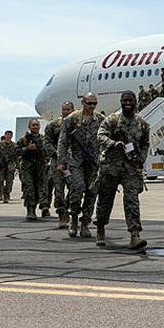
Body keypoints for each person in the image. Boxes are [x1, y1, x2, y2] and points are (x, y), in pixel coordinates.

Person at [95, 91, 150, 248]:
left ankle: (135, 235)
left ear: (135, 102)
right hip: (110, 167)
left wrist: (141, 158)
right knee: (105, 200)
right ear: (121, 102)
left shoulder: (143, 124)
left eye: (130, 100)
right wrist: (113, 143)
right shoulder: (112, 120)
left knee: (132, 200)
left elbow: (145, 144)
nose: (127, 103)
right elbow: (101, 136)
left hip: (130, 168)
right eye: (125, 100)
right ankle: (100, 227)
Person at [58, 93, 104, 238]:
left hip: (93, 162)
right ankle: (73, 219)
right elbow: (63, 141)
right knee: (77, 189)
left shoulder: (100, 119)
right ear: (83, 102)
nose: (92, 106)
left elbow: (105, 139)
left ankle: (85, 223)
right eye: (89, 103)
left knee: (92, 193)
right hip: (76, 161)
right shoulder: (72, 119)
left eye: (94, 104)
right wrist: (61, 161)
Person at [44, 101, 74, 228]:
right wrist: (56, 153)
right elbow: (47, 142)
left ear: (73, 110)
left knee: (75, 188)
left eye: (68, 109)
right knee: (58, 189)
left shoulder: (78, 124)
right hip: (58, 161)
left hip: (74, 162)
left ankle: (67, 207)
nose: (65, 112)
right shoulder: (53, 125)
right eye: (64, 109)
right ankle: (61, 214)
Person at [15, 119, 49, 221]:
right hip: (27, 168)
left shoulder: (43, 139)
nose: (35, 127)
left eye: (36, 125)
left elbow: (47, 151)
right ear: (29, 127)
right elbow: (16, 151)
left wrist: (38, 148)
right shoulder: (23, 139)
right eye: (33, 125)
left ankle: (43, 206)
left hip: (40, 168)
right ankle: (30, 210)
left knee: (40, 189)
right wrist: (27, 148)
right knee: (29, 189)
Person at [0, 131, 18, 203]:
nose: (8, 136)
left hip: (10, 166)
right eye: (7, 134)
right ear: (5, 135)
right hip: (1, 165)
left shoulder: (14, 145)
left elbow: (16, 156)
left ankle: (6, 195)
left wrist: (17, 166)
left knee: (9, 181)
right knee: (0, 181)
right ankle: (0, 192)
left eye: (10, 135)